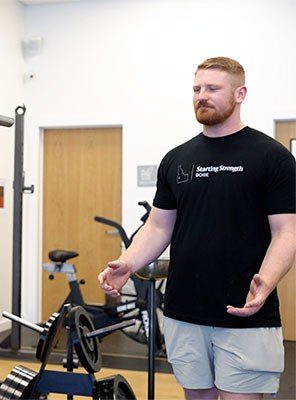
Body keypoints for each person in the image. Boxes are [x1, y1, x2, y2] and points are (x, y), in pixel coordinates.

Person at [98, 57, 296, 400]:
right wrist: (128, 262)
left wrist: (267, 281)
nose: (201, 96)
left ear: (240, 93)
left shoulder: (272, 157)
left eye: (213, 88)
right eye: (196, 89)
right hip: (184, 312)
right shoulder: (177, 159)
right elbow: (159, 227)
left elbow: (287, 232)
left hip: (245, 311)